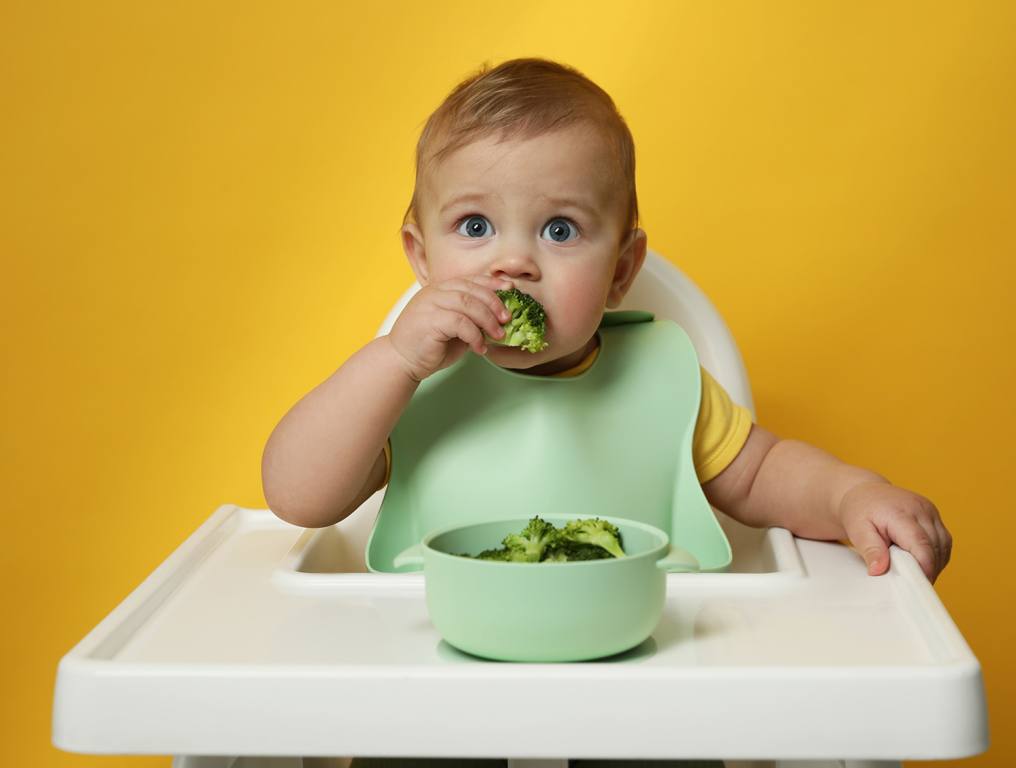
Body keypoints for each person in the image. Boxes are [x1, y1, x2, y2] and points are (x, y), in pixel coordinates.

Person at [261, 54, 952, 768]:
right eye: (473, 227)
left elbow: (764, 471)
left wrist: (849, 495)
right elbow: (297, 496)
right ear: (420, 255)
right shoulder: (404, 388)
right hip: (436, 686)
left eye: (559, 230)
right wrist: (395, 363)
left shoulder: (662, 380)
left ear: (623, 270)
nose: (513, 264)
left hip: (645, 679)